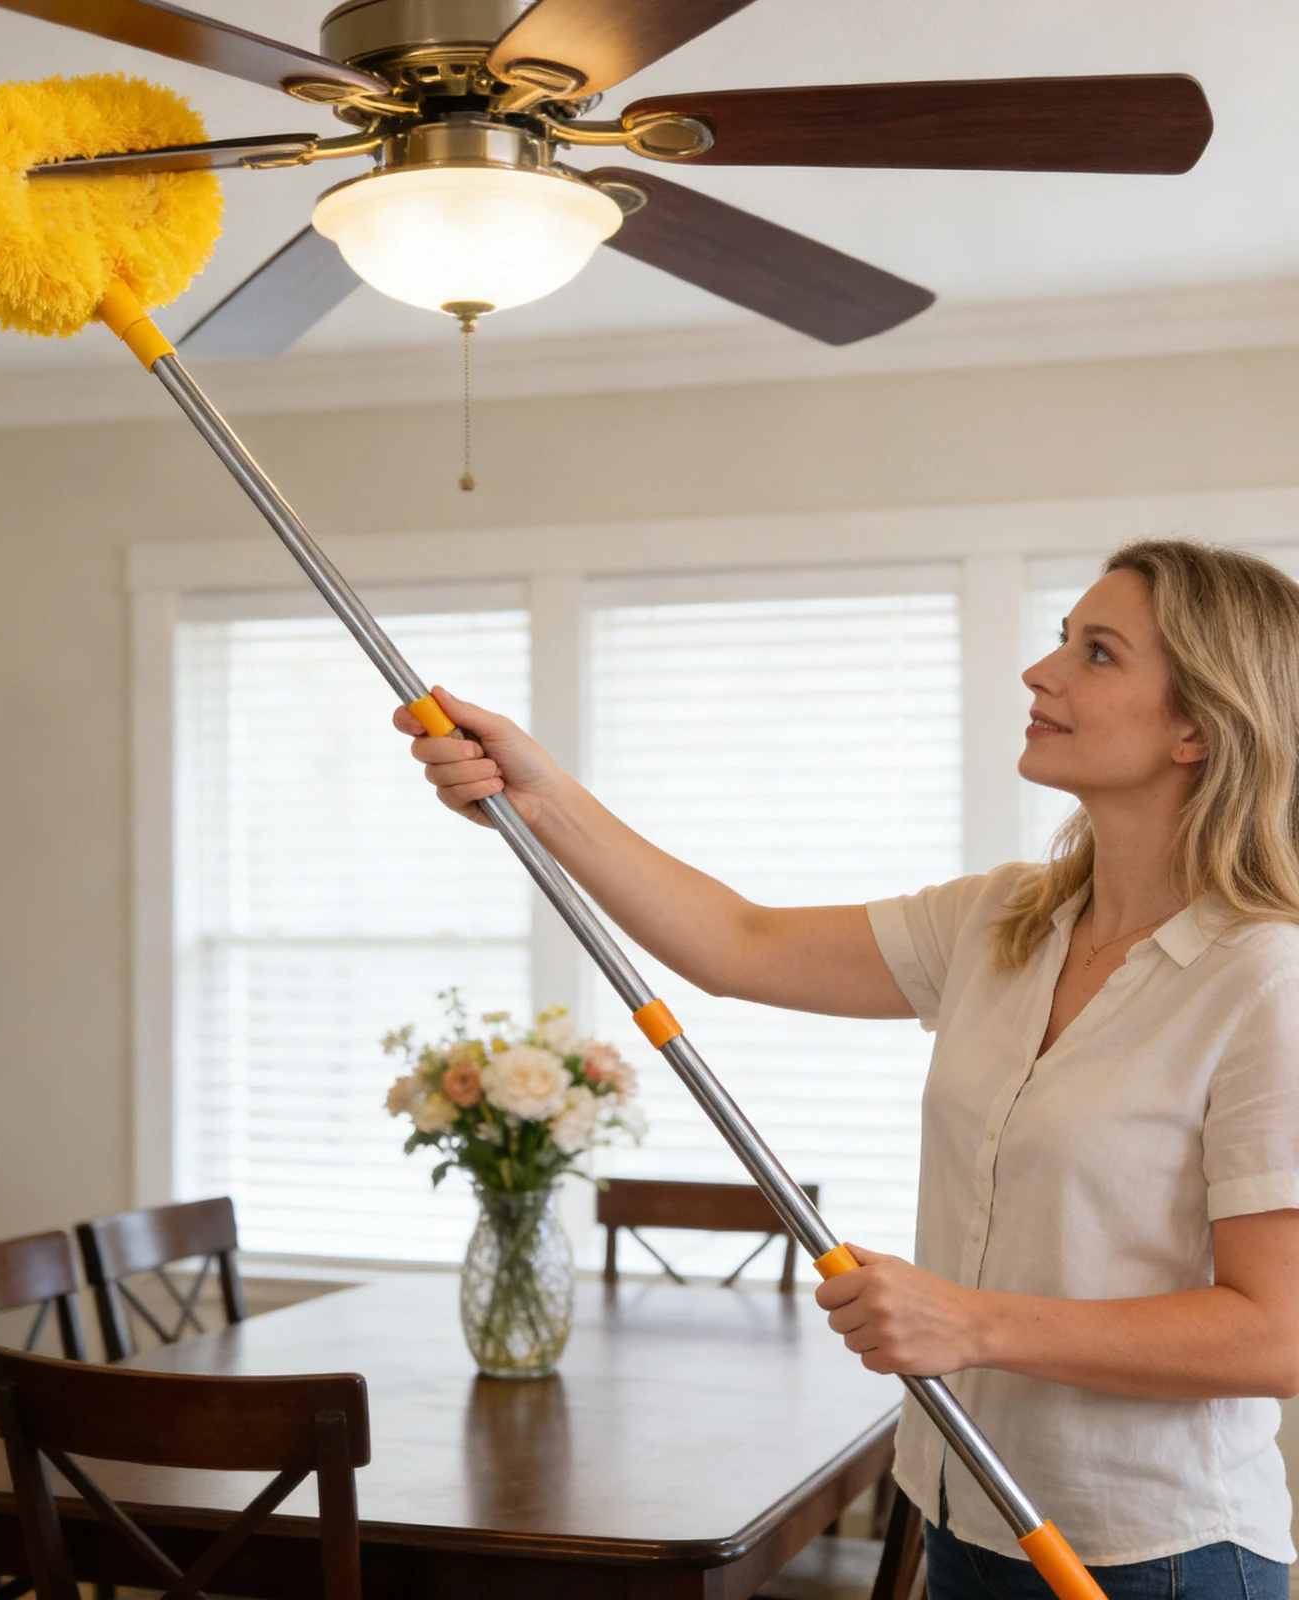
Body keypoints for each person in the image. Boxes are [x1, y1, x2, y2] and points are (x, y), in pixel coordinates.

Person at [395, 540, 1299, 1599]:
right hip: (967, 1509)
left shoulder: (1263, 979)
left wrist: (971, 1321)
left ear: (1197, 724)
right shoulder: (1000, 920)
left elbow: (1274, 1330)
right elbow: (739, 941)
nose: (1039, 672)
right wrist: (541, 798)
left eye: (1096, 654)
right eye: (1061, 638)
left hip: (1160, 1556)